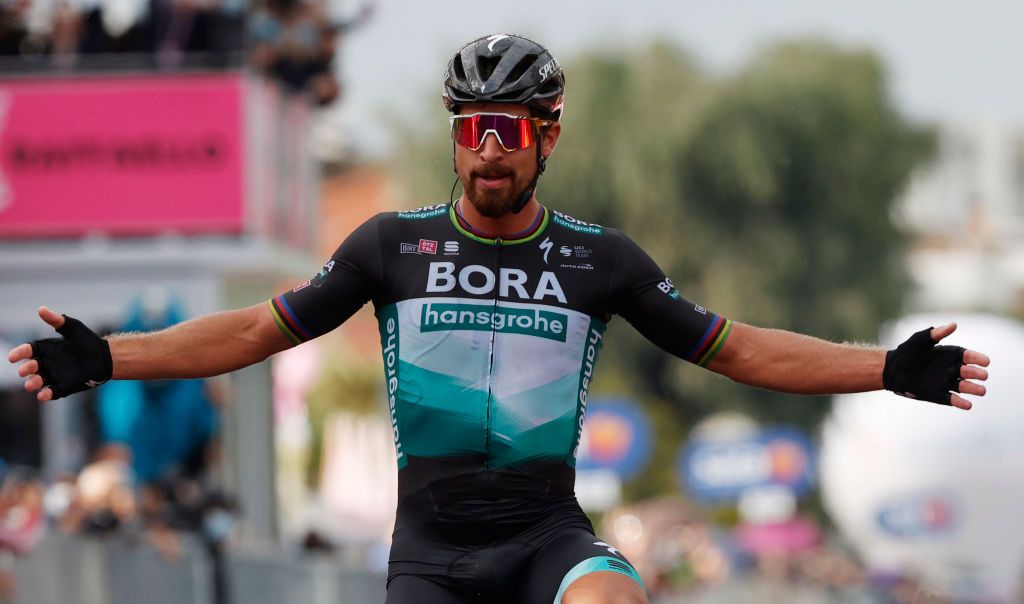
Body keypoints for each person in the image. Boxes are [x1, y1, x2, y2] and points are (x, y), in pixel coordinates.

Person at [6, 33, 990, 604]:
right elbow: (256, 332)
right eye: (468, 130)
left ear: (546, 136)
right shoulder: (389, 246)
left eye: (506, 132)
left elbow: (737, 348)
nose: (484, 152)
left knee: (613, 600)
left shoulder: (598, 259)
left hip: (546, 537)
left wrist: (885, 368)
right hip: (430, 556)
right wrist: (111, 357)